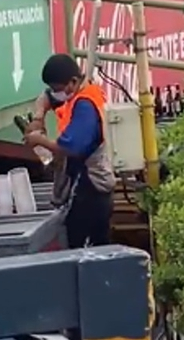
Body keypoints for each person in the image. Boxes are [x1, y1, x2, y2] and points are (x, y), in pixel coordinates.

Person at [23, 54, 115, 250]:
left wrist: (39, 140)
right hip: (82, 184)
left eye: (58, 89)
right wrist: (39, 118)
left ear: (72, 82)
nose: (56, 94)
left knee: (85, 247)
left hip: (92, 189)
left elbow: (70, 148)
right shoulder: (75, 92)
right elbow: (46, 97)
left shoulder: (85, 107)